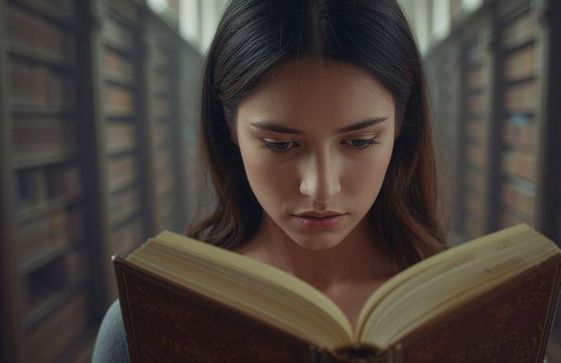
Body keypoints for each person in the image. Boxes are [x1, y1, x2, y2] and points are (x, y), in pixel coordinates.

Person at [91, 0, 446, 361]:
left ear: (402, 124)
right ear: (229, 127)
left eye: (359, 141)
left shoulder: (463, 309)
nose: (321, 189)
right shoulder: (141, 325)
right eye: (280, 145)